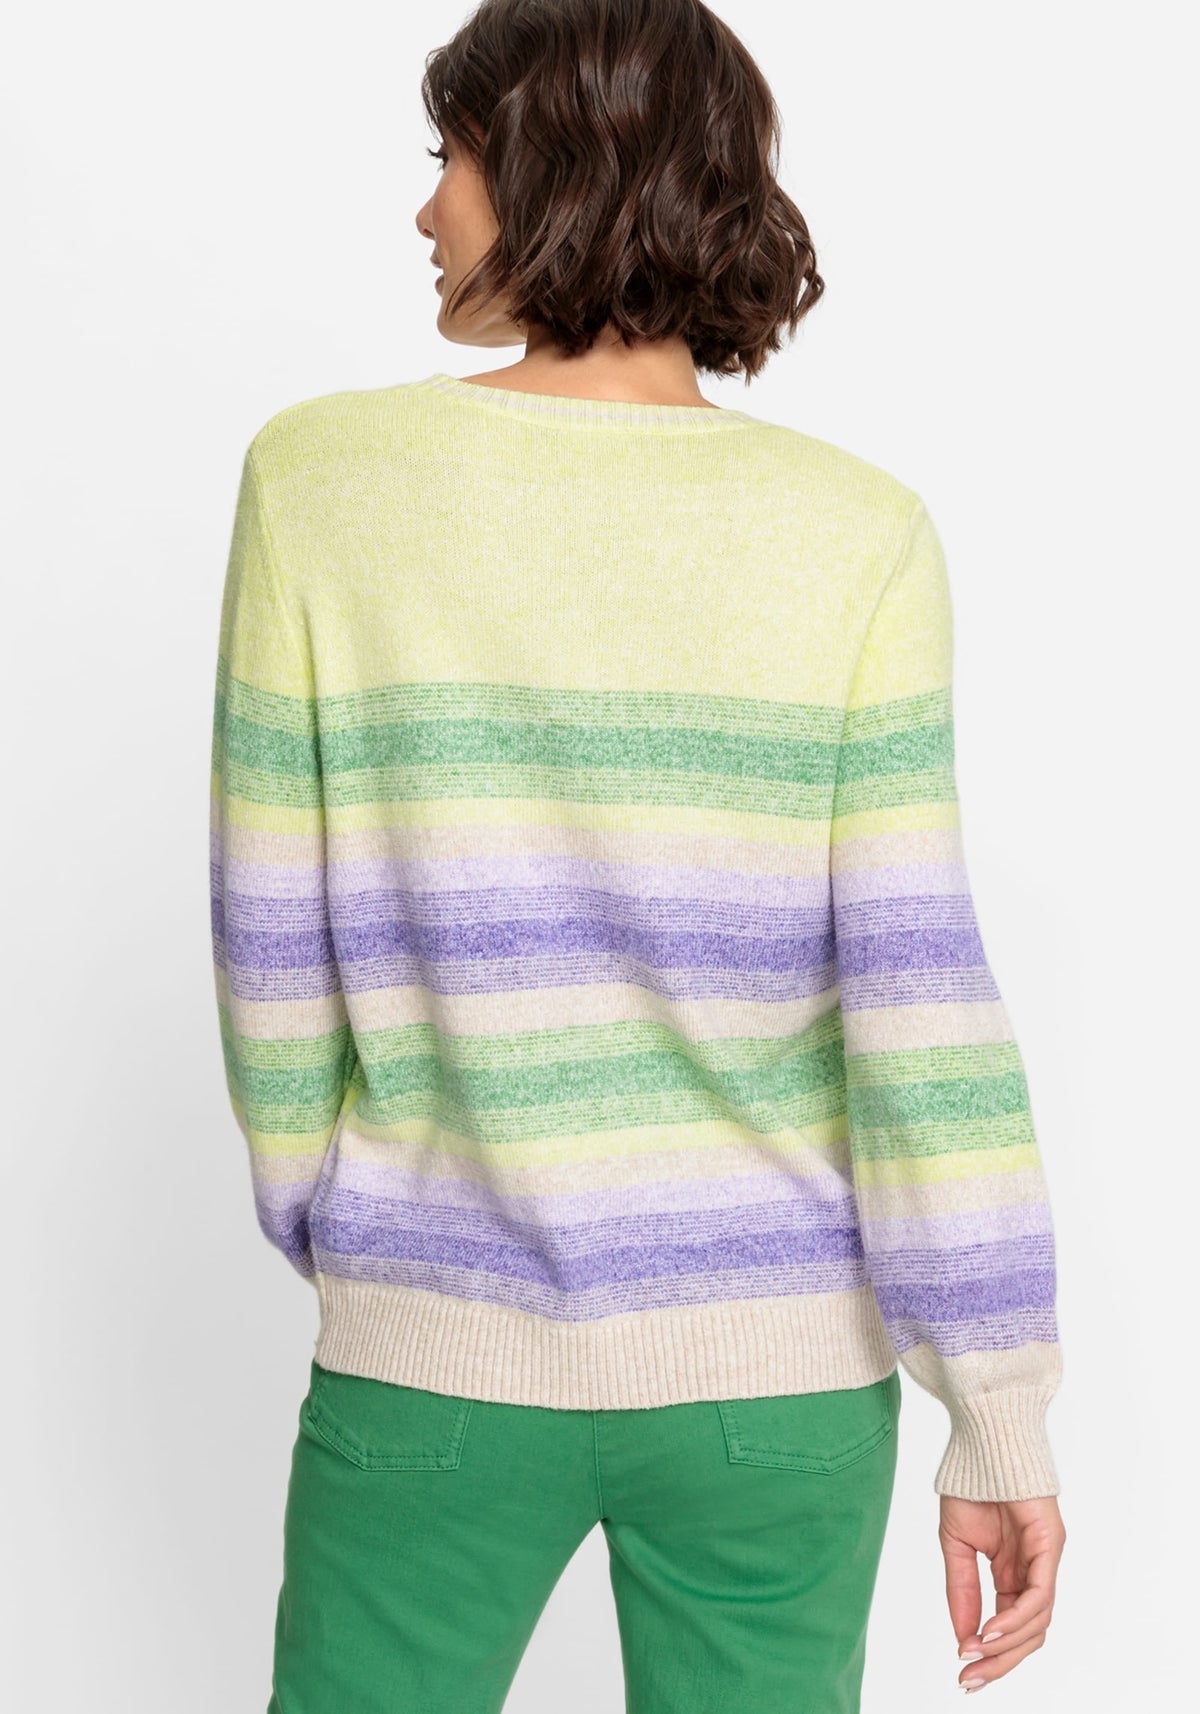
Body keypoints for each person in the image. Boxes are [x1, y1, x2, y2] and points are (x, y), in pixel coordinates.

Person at [208, 2, 1066, 1708]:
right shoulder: (859, 534)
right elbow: (918, 998)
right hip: (778, 1384)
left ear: (555, 172)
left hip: (435, 1356)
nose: (427, 208)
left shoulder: (318, 483)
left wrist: (374, 1236)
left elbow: (272, 957)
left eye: (453, 158)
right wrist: (998, 1403)